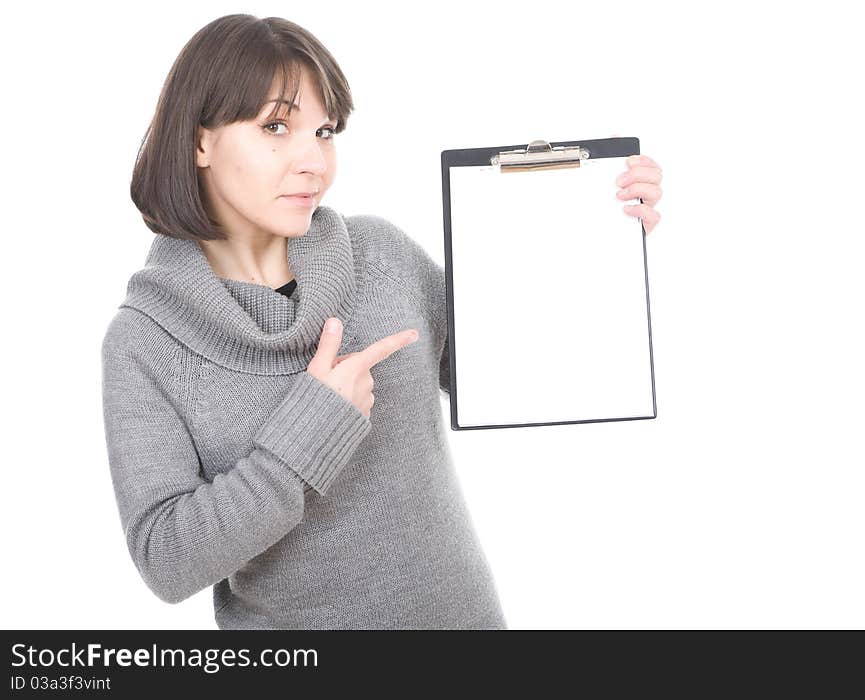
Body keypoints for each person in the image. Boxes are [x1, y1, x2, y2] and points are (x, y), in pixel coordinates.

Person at [102, 14, 664, 631]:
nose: (312, 161)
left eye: (324, 130)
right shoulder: (146, 341)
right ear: (200, 141)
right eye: (276, 127)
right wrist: (309, 431)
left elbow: (519, 371)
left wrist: (597, 236)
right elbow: (167, 560)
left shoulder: (380, 255)